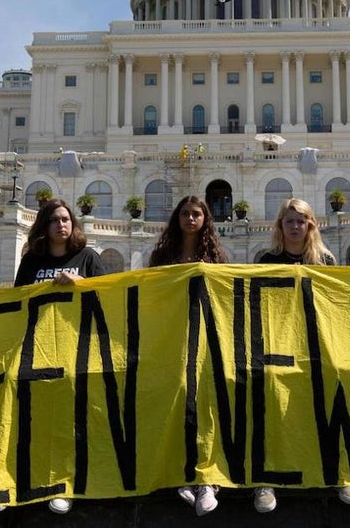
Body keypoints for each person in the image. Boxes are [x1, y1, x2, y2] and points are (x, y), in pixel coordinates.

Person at [0, 198, 103, 516]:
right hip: (37, 347)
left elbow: (107, 295)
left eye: (66, 219)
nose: (61, 225)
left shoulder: (88, 258)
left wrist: (81, 283)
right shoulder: (32, 261)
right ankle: (19, 479)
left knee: (69, 413)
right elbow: (18, 302)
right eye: (55, 220)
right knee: (27, 409)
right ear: (44, 226)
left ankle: (64, 482)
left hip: (76, 347)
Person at [258, 199, 350, 510]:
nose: (295, 227)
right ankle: (266, 478)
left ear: (310, 225)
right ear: (280, 226)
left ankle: (342, 475)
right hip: (279, 342)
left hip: (319, 342)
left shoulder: (325, 261)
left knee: (333, 399)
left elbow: (337, 302)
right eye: (289, 221)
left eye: (300, 221)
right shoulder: (268, 260)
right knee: (272, 401)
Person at [147, 196, 234, 516]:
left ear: (205, 219)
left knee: (204, 401)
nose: (190, 219)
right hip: (171, 336)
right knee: (176, 398)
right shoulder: (162, 256)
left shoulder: (215, 256)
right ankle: (180, 472)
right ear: (177, 218)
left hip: (205, 336)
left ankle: (205, 477)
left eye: (196, 214)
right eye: (185, 213)